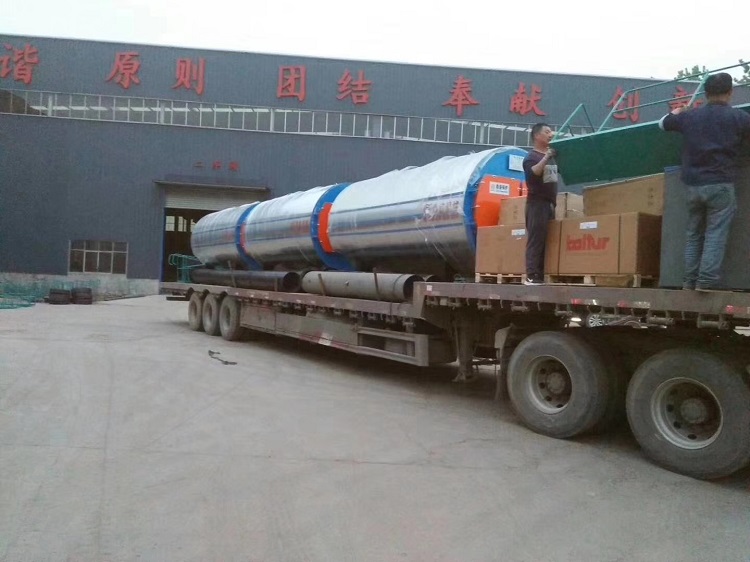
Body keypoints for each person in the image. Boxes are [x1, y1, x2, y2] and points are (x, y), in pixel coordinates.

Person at [660, 72, 750, 291]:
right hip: (721, 185)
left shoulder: (691, 117)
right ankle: (706, 282)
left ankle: (688, 282)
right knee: (715, 234)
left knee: (694, 235)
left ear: (706, 94)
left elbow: (663, 124)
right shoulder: (739, 118)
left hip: (693, 185)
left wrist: (678, 111)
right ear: (730, 93)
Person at [523, 123, 558, 285]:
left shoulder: (551, 156)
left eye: (551, 132)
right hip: (536, 204)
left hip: (550, 203)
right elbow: (534, 172)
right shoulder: (531, 157)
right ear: (537, 136)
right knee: (536, 239)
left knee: (547, 240)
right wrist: (547, 156)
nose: (551, 134)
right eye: (547, 132)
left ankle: (542, 274)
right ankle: (531, 275)